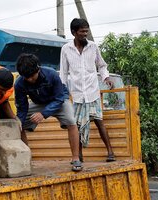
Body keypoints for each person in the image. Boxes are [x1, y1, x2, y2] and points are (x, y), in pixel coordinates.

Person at [60, 18, 116, 162]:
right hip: (77, 94)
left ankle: (110, 153)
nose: (85, 34)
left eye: (86, 31)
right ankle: (79, 156)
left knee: (99, 121)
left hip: (92, 92)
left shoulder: (93, 47)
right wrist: (63, 93)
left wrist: (106, 78)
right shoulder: (66, 49)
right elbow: (64, 73)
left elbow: (102, 65)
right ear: (74, 32)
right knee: (76, 126)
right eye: (82, 32)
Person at [15, 53, 82, 172]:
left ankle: (76, 158)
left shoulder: (51, 74)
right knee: (18, 125)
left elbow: (59, 98)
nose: (30, 79)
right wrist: (19, 121)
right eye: (26, 77)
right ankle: (26, 159)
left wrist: (43, 114)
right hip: (38, 103)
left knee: (71, 121)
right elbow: (22, 107)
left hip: (58, 100)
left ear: (38, 69)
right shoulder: (19, 83)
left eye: (32, 76)